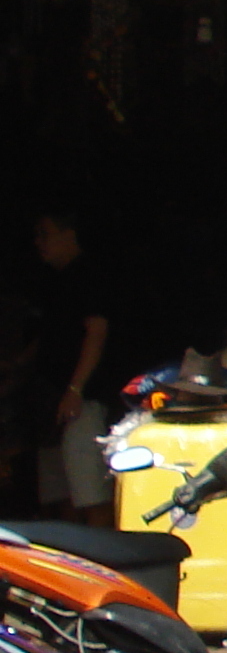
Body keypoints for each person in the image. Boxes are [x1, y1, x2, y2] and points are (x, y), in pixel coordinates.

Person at [31, 208, 115, 520]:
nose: (38, 242)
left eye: (45, 233)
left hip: (80, 400)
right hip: (51, 404)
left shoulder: (88, 275)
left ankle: (104, 562)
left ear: (69, 235)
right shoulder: (53, 281)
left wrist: (75, 388)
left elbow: (96, 332)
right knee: (60, 492)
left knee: (89, 491)